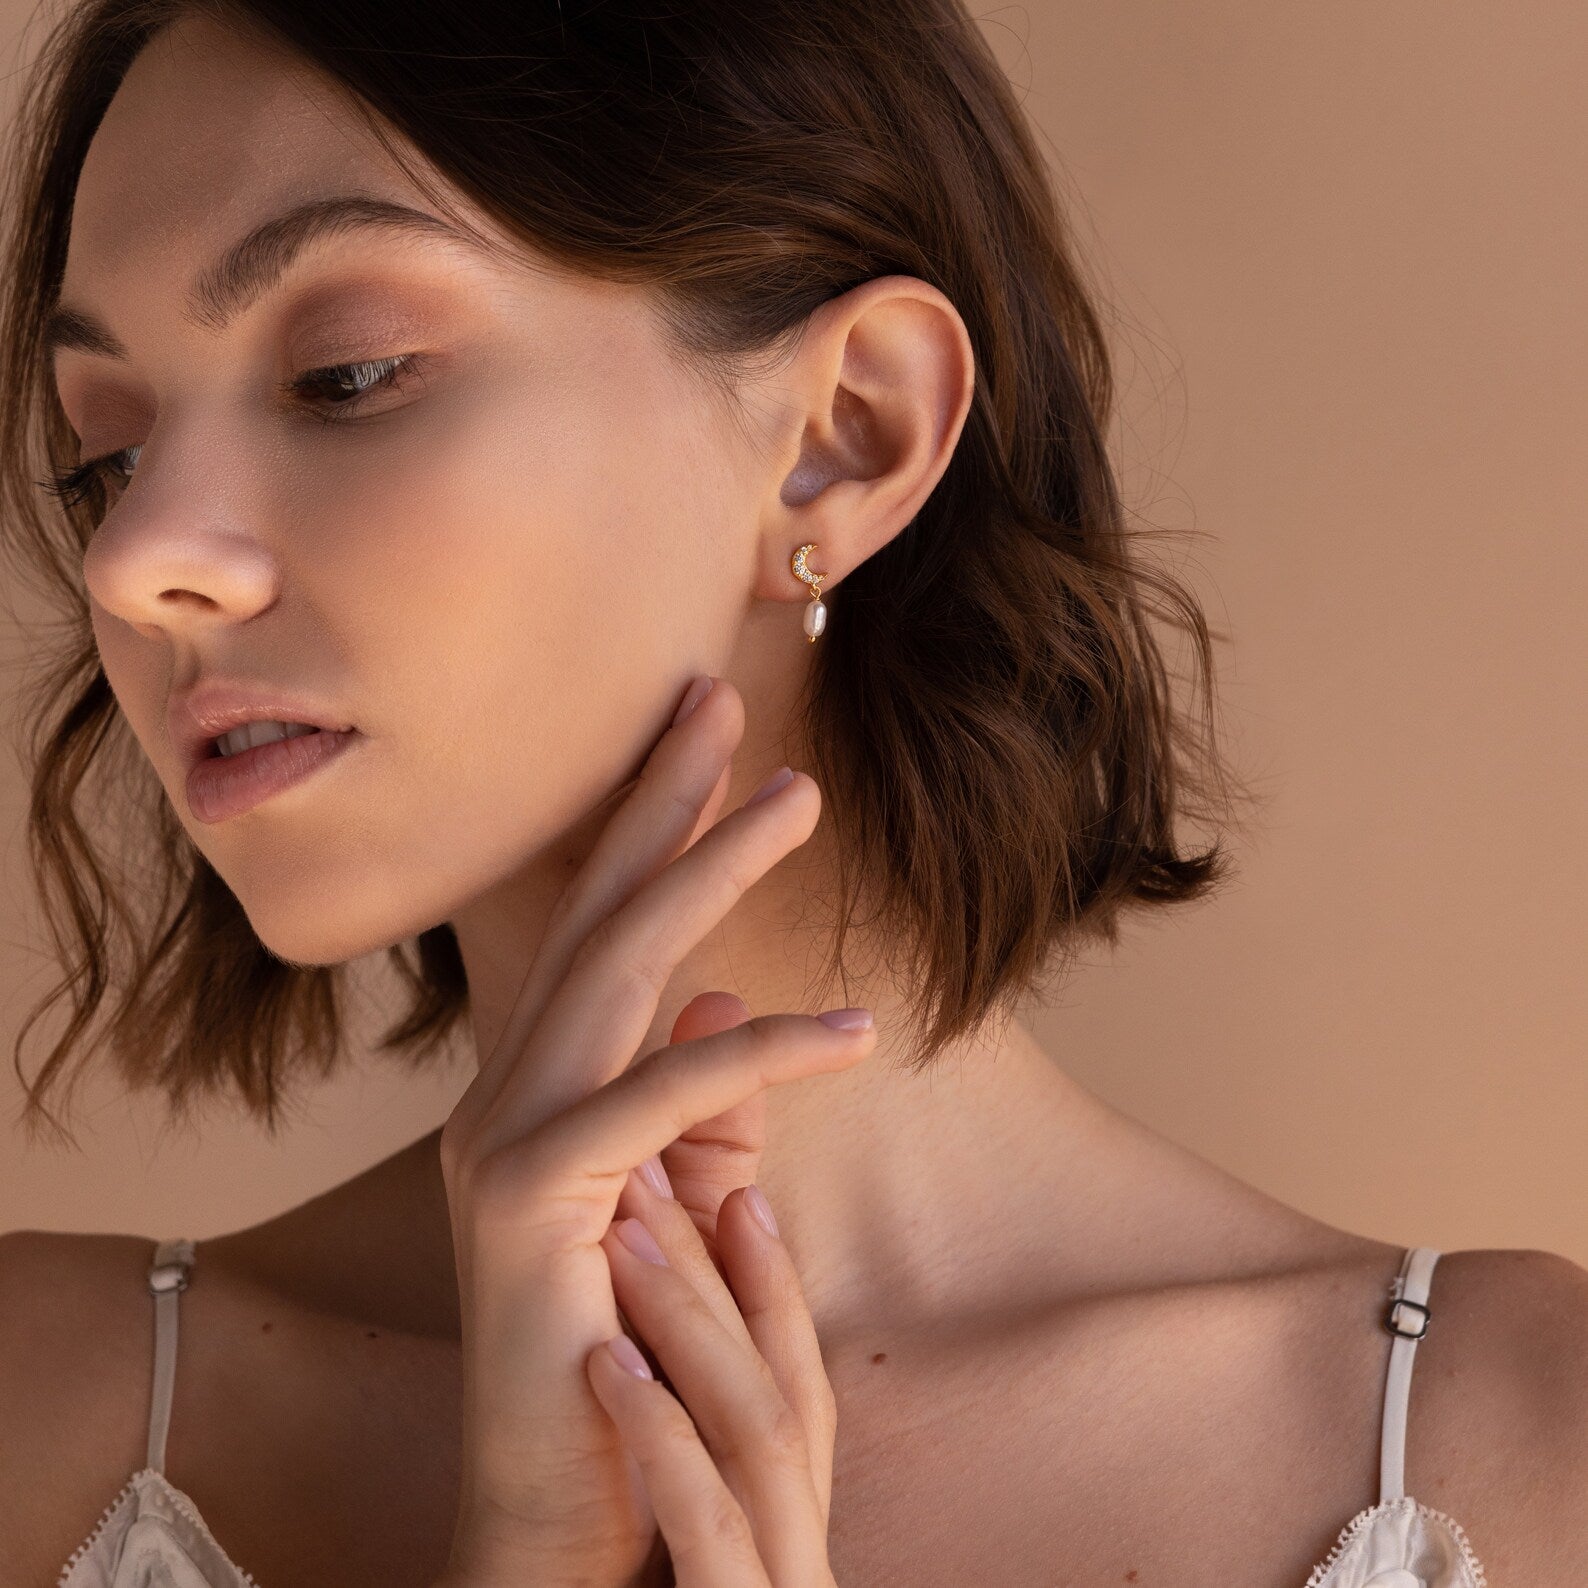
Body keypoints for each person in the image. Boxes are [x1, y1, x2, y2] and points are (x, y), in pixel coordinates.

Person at [1, 0, 1584, 1583]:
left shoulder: (1517, 1456)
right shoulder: (46, 1420)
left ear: (844, 436)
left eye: (345, 375)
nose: (138, 564)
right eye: (108, 457)